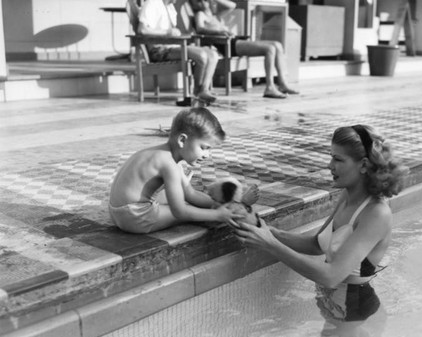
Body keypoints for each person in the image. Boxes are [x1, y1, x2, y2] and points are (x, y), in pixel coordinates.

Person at [234, 124, 407, 337]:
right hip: (339, 303)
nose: (330, 165)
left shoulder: (376, 213)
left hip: (351, 304)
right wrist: (266, 230)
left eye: (338, 159)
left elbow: (332, 275)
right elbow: (316, 244)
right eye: (331, 157)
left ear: (363, 165)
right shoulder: (346, 198)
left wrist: (269, 244)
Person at [108, 107, 245, 233]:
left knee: (182, 201)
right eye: (203, 148)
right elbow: (179, 211)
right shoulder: (169, 165)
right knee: (187, 213)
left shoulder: (164, 154)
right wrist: (217, 215)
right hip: (134, 217)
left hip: (117, 211)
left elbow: (190, 194)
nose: (207, 155)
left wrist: (220, 204)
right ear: (182, 140)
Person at [189, 0, 299, 99]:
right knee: (270, 49)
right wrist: (219, 32)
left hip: (235, 41)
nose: (202, 3)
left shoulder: (216, 16)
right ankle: (270, 87)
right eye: (198, 1)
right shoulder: (201, 14)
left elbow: (232, 5)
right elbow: (199, 28)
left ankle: (283, 83)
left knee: (277, 45)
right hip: (226, 44)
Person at [138, 0, 220, 103]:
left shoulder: (170, 7)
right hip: (159, 50)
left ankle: (203, 90)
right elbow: (142, 30)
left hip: (174, 46)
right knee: (202, 55)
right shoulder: (152, 3)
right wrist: (165, 33)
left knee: (212, 54)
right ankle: (198, 92)